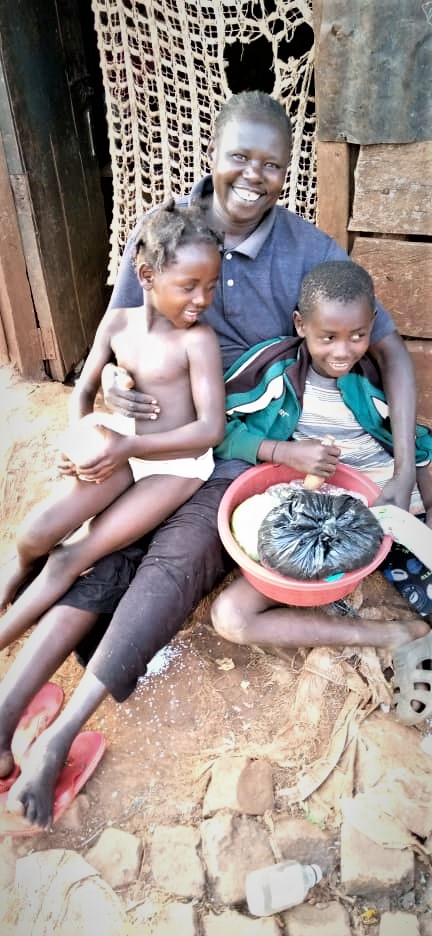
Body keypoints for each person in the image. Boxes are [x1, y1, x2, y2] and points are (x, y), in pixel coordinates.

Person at [0, 90, 421, 830]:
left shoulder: (310, 252)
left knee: (169, 566)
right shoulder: (164, 233)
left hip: (232, 450)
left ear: (289, 170)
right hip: (157, 436)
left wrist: (408, 470)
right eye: (240, 158)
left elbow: (387, 348)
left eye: (272, 164)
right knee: (92, 553)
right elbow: (116, 335)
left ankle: (62, 732)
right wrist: (109, 392)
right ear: (213, 154)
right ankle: (7, 715)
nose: (254, 176)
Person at [211, 260, 432, 726]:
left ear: (373, 325)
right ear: (300, 325)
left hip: (388, 510)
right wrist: (283, 453)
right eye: (327, 337)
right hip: (315, 517)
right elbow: (219, 431)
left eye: (358, 335)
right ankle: (391, 635)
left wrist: (420, 504)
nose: (343, 350)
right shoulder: (273, 374)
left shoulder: (374, 381)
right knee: (231, 617)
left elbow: (421, 447)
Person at [0, 200, 225, 645]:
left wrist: (128, 449)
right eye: (189, 286)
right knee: (35, 534)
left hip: (177, 467)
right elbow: (83, 391)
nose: (202, 299)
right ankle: (20, 566)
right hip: (123, 447)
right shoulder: (117, 323)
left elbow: (210, 431)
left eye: (210, 286)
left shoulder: (198, 341)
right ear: (146, 276)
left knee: (72, 555)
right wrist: (77, 439)